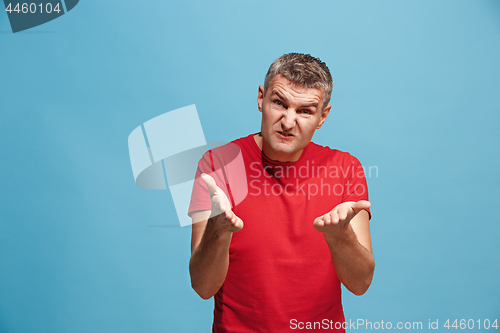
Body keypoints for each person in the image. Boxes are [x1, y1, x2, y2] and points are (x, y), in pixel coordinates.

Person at [188, 53, 374, 333]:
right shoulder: (217, 165)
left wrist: (340, 237)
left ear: (323, 116)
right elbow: (203, 287)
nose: (288, 122)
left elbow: (360, 284)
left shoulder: (345, 168)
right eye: (279, 103)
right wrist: (219, 229)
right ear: (261, 98)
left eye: (305, 111)